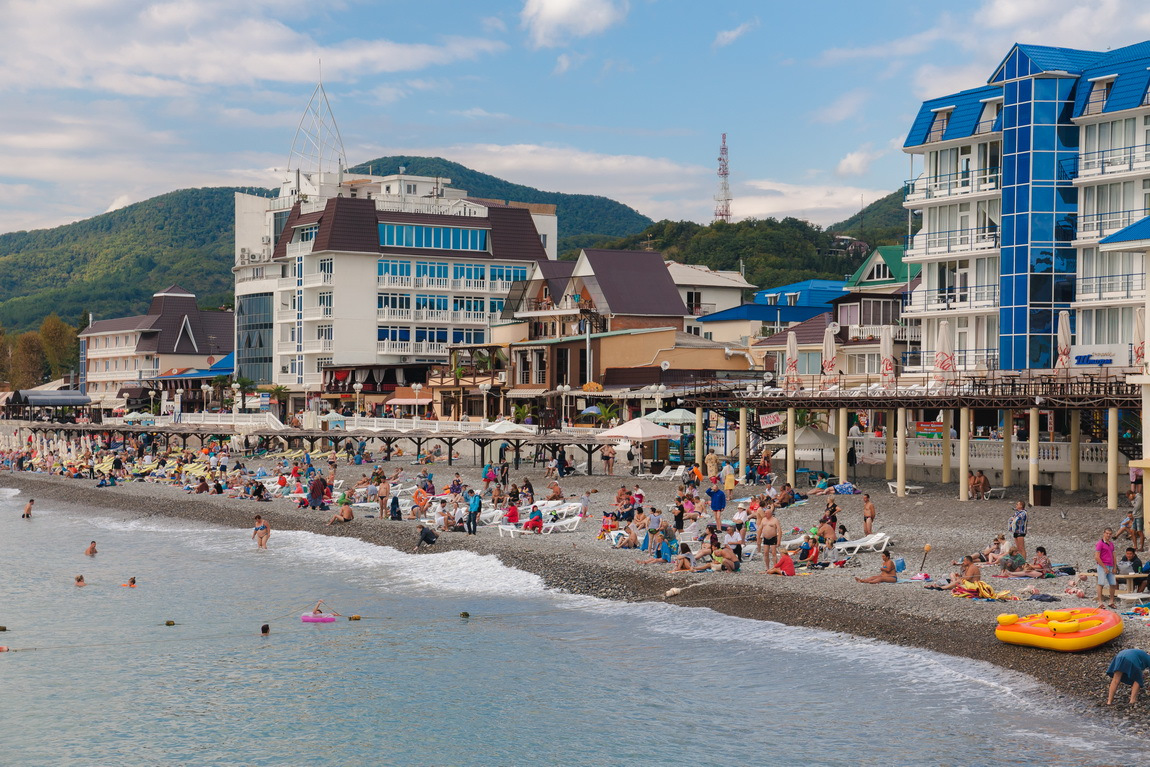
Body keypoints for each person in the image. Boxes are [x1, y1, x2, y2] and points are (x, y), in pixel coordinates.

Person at [1096, 527, 1118, 610]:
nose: (1108, 535)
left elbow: (1114, 556)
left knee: (1113, 583)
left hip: (1111, 565)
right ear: (1104, 533)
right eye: (1107, 533)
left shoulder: (1111, 544)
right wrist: (1104, 567)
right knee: (1101, 583)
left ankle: (1111, 601)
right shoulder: (1100, 543)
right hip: (1103, 565)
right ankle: (1100, 602)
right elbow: (1097, 557)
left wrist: (1115, 567)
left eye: (1110, 534)